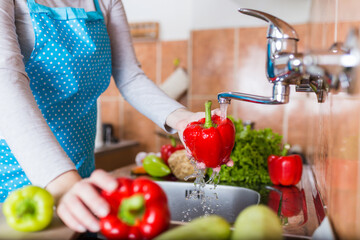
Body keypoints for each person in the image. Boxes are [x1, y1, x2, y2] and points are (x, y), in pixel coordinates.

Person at [0, 0, 211, 233]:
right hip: (16, 184)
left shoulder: (106, 2)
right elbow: (6, 82)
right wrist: (62, 182)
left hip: (81, 180)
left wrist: (183, 119)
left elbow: (130, 77)